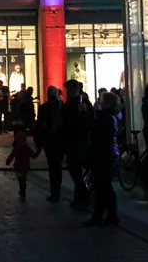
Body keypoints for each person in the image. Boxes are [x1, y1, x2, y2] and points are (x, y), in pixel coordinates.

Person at [83, 92, 120, 228]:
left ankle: (100, 216)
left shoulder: (106, 117)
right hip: (106, 155)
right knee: (105, 186)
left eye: (102, 100)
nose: (100, 102)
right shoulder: (110, 116)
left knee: (101, 187)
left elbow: (98, 136)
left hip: (103, 155)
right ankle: (110, 215)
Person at [62, 79, 92, 210]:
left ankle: (83, 197)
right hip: (75, 141)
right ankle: (80, 197)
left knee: (76, 170)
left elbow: (86, 122)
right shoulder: (77, 103)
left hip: (76, 141)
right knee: (75, 171)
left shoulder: (79, 104)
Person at [35, 85, 65, 202]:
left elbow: (39, 125)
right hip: (61, 139)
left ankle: (54, 193)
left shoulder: (44, 107)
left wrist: (38, 141)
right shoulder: (62, 106)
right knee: (58, 166)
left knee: (52, 166)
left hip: (49, 140)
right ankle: (58, 191)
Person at [6, 128, 40, 199]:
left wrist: (8, 161)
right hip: (25, 166)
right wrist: (38, 151)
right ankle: (23, 190)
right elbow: (33, 156)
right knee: (24, 178)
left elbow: (12, 155)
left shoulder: (16, 147)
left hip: (18, 166)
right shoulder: (26, 148)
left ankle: (22, 189)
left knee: (20, 178)